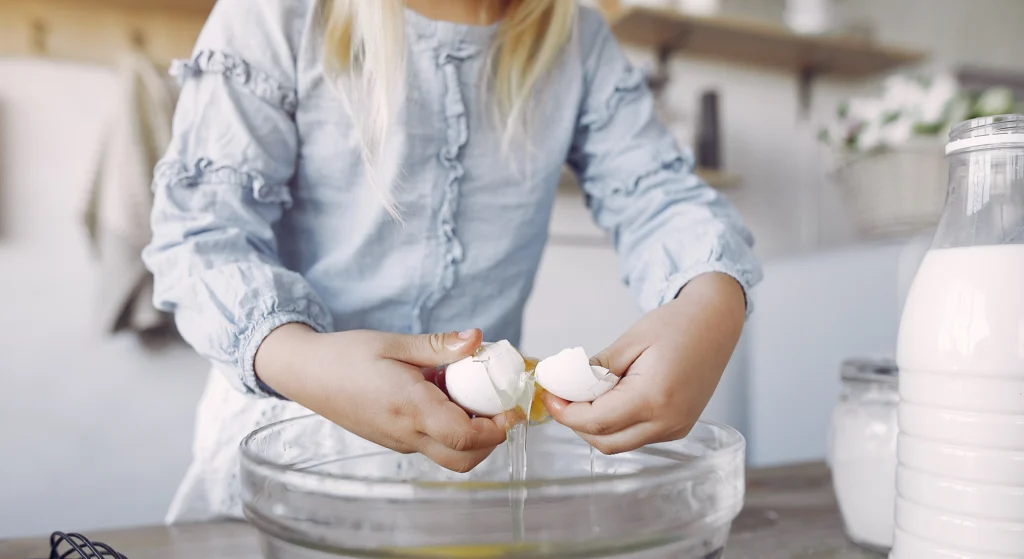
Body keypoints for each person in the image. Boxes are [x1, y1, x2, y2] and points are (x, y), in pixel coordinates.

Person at [144, 0, 763, 523]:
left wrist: (712, 302)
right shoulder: (278, 13)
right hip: (283, 457)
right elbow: (203, 235)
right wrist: (299, 356)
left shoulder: (574, 37)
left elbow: (660, 197)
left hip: (468, 464)